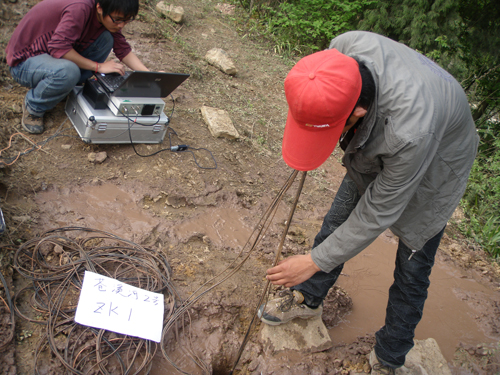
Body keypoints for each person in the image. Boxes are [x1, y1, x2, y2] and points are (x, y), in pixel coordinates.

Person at [258, 31, 479, 374]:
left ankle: (390, 356)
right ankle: (309, 298)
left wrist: (314, 259)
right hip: (385, 129)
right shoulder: (343, 48)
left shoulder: (409, 133)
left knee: (412, 265)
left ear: (358, 110)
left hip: (439, 157)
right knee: (336, 221)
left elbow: (378, 211)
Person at [6, 0, 148, 134]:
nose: (121, 25)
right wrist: (98, 66)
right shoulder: (80, 8)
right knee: (68, 72)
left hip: (50, 55)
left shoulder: (108, 16)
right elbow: (58, 47)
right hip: (24, 62)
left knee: (106, 39)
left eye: (126, 20)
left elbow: (122, 49)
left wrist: (148, 74)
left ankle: (64, 87)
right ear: (99, 8)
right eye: (118, 19)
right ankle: (34, 107)